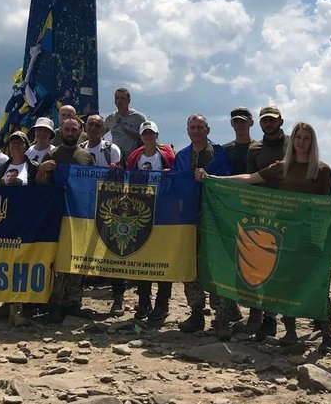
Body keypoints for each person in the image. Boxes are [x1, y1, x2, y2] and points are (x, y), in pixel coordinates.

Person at [197, 121, 331, 353]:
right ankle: (290, 330)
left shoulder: (321, 170)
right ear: (293, 141)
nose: (302, 142)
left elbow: (327, 205)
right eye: (298, 137)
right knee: (286, 282)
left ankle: (327, 332)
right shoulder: (282, 166)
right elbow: (250, 179)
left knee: (316, 282)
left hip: (309, 235)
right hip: (286, 234)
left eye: (306, 138)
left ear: (312, 142)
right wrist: (214, 179)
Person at [173, 114, 239, 338]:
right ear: (187, 131)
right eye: (192, 127)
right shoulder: (181, 156)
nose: (196, 130)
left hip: (214, 219)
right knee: (191, 265)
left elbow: (228, 182)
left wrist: (209, 178)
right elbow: (175, 186)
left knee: (217, 265)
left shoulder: (219, 154)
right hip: (189, 219)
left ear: (208, 130)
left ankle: (222, 316)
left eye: (200, 127)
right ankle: (196, 312)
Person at [36, 117, 95, 322]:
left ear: (80, 131)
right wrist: (42, 170)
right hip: (57, 215)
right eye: (67, 129)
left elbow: (92, 187)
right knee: (58, 261)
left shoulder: (86, 157)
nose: (70, 132)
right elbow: (40, 185)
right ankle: (55, 304)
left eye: (74, 129)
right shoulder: (52, 155)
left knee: (77, 259)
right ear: (61, 130)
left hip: (79, 217)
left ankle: (74, 303)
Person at [243, 105, 288, 338]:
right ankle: (261, 316)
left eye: (272, 120)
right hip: (262, 214)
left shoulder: (293, 144)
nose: (268, 124)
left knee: (285, 268)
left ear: (281, 121)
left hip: (290, 214)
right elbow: (251, 181)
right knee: (260, 265)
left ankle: (284, 319)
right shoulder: (254, 149)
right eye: (265, 120)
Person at [125, 121, 175, 325]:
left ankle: (162, 303)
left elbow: (176, 177)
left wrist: (169, 175)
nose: (148, 136)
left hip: (164, 212)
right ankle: (144, 302)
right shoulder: (135, 156)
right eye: (145, 133)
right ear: (141, 136)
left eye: (151, 133)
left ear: (157, 135)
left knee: (163, 258)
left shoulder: (167, 154)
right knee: (142, 257)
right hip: (141, 212)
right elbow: (128, 180)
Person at [0, 130, 42, 325]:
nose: (16, 146)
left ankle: (25, 304)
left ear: (26, 146)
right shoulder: (2, 167)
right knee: (6, 261)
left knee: (25, 261)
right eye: (13, 142)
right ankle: (8, 302)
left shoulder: (33, 167)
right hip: (5, 220)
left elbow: (40, 190)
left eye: (20, 142)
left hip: (26, 220)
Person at [82, 114, 126, 315]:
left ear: (103, 129)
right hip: (84, 209)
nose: (93, 128)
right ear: (85, 127)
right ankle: (77, 298)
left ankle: (118, 299)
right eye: (90, 124)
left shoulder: (111, 150)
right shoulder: (80, 149)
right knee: (82, 250)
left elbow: (120, 177)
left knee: (112, 252)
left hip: (109, 209)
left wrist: (117, 170)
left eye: (97, 125)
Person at [104, 88, 147, 159]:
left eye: (122, 98)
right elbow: (99, 134)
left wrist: (122, 125)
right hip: (116, 158)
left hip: (133, 158)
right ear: (114, 101)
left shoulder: (138, 118)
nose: (119, 101)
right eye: (117, 98)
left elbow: (146, 138)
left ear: (128, 101)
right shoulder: (111, 118)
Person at [223, 107, 254, 174]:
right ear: (232, 123)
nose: (239, 125)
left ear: (251, 122)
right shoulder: (224, 150)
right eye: (236, 121)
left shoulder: (259, 148)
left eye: (243, 121)